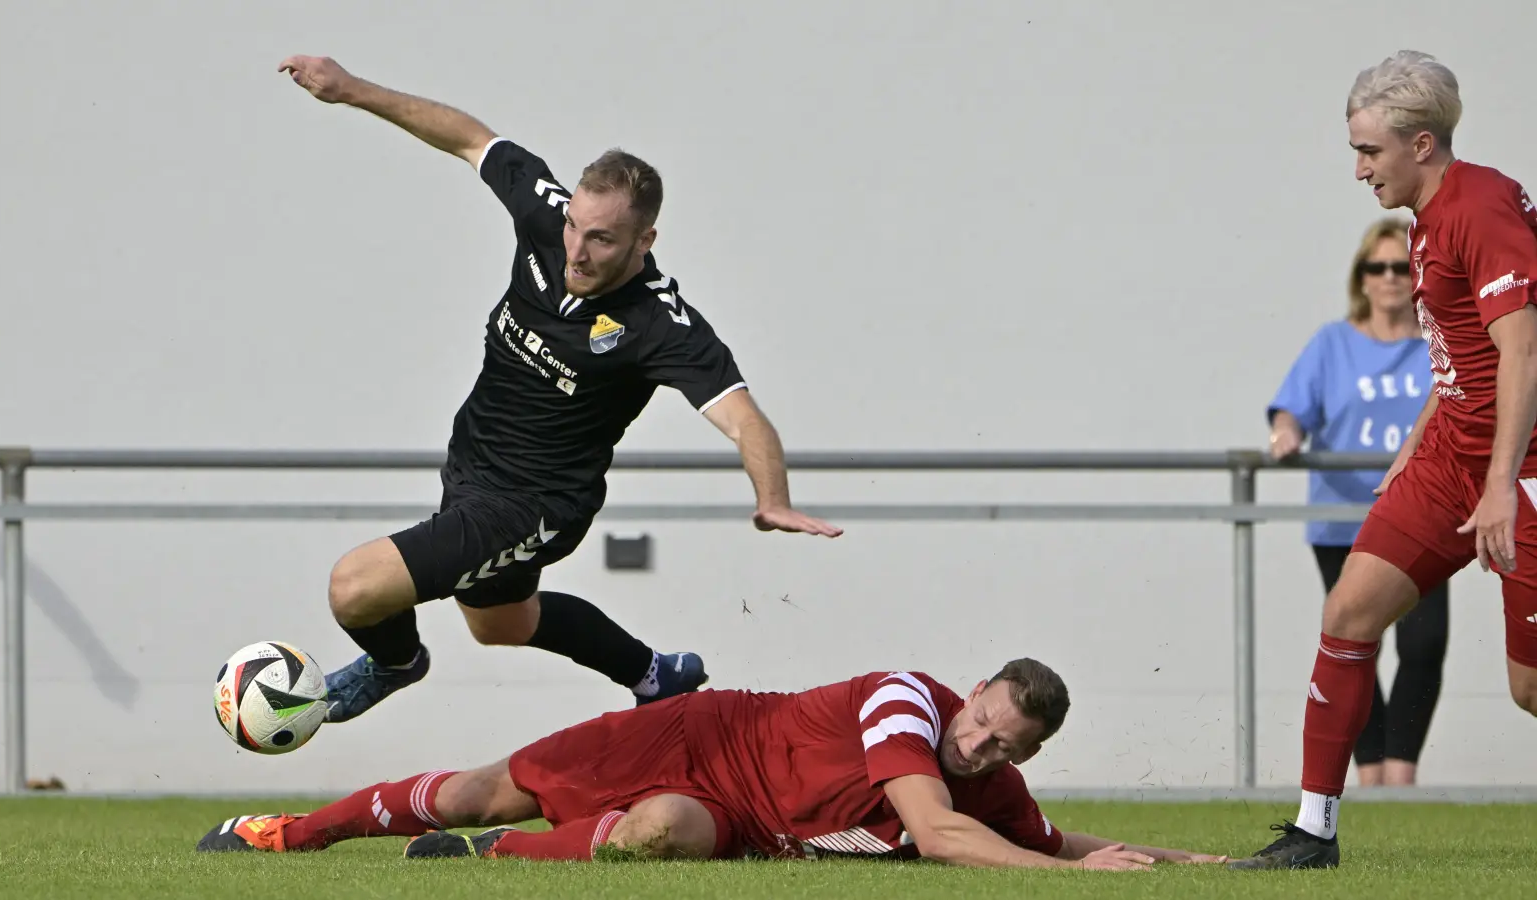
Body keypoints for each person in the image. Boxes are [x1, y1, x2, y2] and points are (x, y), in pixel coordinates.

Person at [274, 55, 843, 723]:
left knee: (354, 588)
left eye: (601, 239)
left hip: (532, 505)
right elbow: (468, 137)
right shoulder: (548, 220)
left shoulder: (660, 324)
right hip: (471, 469)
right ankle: (652, 674)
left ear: (644, 238)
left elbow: (745, 418)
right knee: (502, 624)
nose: (576, 249)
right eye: (575, 225)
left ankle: (396, 662)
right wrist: (350, 90)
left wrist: (772, 500)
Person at [1234, 50, 1537, 870]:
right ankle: (1313, 833)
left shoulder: (1479, 208)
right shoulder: (1425, 217)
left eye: (1370, 152)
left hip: (1520, 472)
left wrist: (1503, 485)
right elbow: (1461, 350)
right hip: (1449, 458)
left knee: (1528, 690)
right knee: (1348, 617)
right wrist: (1418, 437)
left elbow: (1521, 353)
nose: (1360, 170)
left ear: (1425, 144)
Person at [197, 659, 1226, 870]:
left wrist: (1199, 869)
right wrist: (1063, 881)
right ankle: (287, 831)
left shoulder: (991, 782)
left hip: (732, 818)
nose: (984, 744)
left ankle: (489, 857)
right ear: (975, 692)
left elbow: (1051, 837)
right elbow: (949, 837)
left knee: (661, 836)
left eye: (1007, 746)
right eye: (987, 721)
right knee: (470, 785)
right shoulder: (909, 702)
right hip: (689, 736)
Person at [1266, 217, 1448, 787]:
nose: (1392, 278)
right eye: (1379, 267)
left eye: (1403, 267)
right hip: (1343, 519)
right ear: (1361, 278)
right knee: (1355, 643)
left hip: (1421, 513)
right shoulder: (1333, 343)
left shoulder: (1436, 345)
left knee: (1423, 642)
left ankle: (1401, 771)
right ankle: (1371, 774)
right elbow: (1292, 409)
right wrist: (1287, 433)